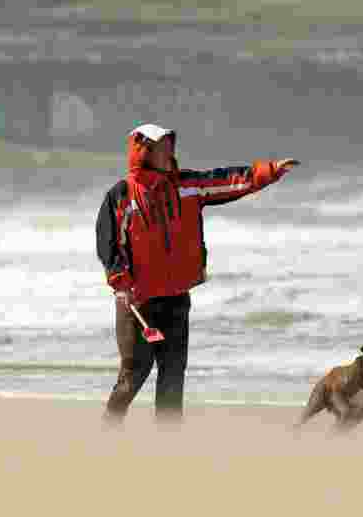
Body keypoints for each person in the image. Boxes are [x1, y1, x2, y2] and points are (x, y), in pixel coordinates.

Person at [95, 121, 299, 426]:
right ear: (143, 152)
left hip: (177, 298)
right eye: (160, 146)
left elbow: (227, 181)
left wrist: (267, 172)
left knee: (173, 373)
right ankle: (107, 430)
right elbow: (108, 242)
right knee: (134, 373)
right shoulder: (121, 196)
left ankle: (168, 445)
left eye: (169, 145)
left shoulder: (187, 185)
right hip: (138, 302)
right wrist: (119, 281)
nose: (168, 151)